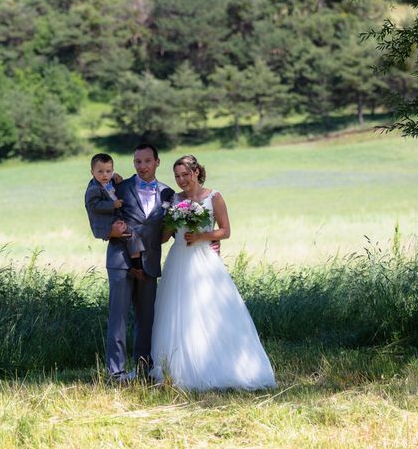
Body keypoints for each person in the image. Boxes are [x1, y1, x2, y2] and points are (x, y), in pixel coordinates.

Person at [150, 155, 276, 391]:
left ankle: (220, 366)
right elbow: (165, 236)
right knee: (179, 311)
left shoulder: (214, 197)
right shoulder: (174, 200)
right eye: (177, 176)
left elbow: (226, 231)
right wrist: (167, 224)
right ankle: (179, 368)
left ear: (196, 172)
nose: (181, 181)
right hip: (179, 259)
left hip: (204, 259)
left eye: (185, 175)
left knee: (210, 309)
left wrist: (201, 237)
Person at [104, 143, 175, 382]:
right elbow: (96, 209)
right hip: (120, 260)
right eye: (137, 162)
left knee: (147, 320)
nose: (142, 166)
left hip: (150, 263)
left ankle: (143, 370)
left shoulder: (168, 193)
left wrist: (206, 241)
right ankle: (116, 373)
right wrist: (108, 231)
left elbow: (173, 228)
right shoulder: (119, 188)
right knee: (119, 318)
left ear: (157, 162)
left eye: (147, 161)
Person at [84, 153, 144, 260]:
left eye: (108, 171)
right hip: (106, 222)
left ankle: (135, 256)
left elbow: (112, 179)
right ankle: (136, 261)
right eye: (100, 171)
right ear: (92, 172)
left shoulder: (109, 181)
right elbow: (94, 205)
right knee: (132, 233)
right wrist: (113, 205)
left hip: (116, 217)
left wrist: (115, 175)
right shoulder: (93, 189)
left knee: (132, 232)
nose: (104, 175)